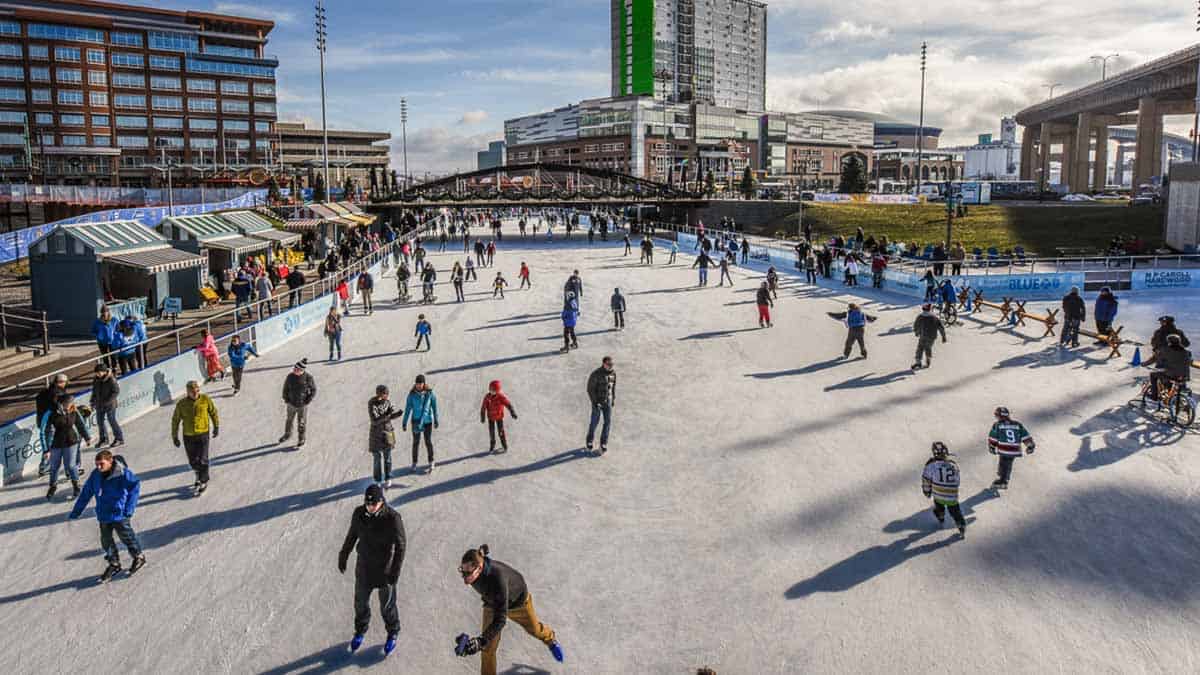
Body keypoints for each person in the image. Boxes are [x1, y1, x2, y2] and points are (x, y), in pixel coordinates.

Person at [453, 545, 564, 674]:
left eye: (468, 573)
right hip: (492, 603)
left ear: (480, 568)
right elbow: (482, 553)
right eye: (462, 571)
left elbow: (500, 619)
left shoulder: (498, 579)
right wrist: (483, 642)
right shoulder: (475, 571)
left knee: (535, 629)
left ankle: (550, 639)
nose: (464, 577)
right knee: (488, 648)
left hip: (518, 604)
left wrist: (481, 640)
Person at [339, 484, 406, 656]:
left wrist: (395, 572)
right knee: (360, 602)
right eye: (367, 503)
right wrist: (344, 554)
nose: (370, 506)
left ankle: (393, 632)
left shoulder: (393, 518)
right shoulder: (359, 514)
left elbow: (401, 546)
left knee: (387, 606)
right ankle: (360, 630)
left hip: (385, 570)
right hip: (364, 566)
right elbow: (352, 535)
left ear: (381, 501)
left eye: (373, 503)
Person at [69, 449, 145, 583]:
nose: (98, 467)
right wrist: (77, 510)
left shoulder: (122, 473)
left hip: (119, 513)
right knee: (106, 540)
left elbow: (135, 487)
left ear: (110, 461)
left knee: (126, 536)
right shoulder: (96, 475)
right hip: (103, 513)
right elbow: (86, 492)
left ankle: (138, 557)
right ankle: (114, 564)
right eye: (96, 464)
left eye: (101, 464)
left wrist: (129, 508)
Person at [170, 380, 219, 495]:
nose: (195, 393)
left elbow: (213, 412)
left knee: (203, 458)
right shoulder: (181, 404)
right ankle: (198, 474)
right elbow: (175, 420)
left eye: (196, 390)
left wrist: (216, 426)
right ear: (187, 392)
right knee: (192, 460)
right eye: (192, 391)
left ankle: (203, 480)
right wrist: (174, 436)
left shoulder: (205, 399)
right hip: (188, 435)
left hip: (203, 433)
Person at [40, 393, 92, 500]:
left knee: (71, 465)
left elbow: (80, 424)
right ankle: (53, 486)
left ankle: (76, 486)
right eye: (67, 403)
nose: (69, 405)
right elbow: (43, 431)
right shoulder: (50, 413)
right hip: (56, 443)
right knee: (54, 466)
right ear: (60, 403)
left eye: (71, 403)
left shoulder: (73, 410)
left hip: (71, 441)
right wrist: (46, 449)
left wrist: (87, 437)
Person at [922, 441, 966, 537]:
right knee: (955, 511)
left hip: (938, 494)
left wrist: (927, 491)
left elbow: (926, 480)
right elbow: (957, 480)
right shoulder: (953, 464)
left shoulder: (931, 465)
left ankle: (940, 515)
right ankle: (961, 525)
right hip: (952, 496)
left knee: (939, 505)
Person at [987, 406, 1035, 491]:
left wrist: (992, 446)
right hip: (1014, 449)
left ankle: (1003, 481)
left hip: (1004, 448)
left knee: (1003, 463)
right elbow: (1024, 435)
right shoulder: (1017, 424)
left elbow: (993, 437)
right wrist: (1030, 445)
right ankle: (1003, 477)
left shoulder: (997, 425)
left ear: (999, 416)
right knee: (1007, 463)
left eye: (996, 415)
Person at [368, 385, 404, 487]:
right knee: (377, 458)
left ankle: (388, 477)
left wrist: (396, 414)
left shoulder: (387, 402)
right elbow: (374, 420)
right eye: (385, 394)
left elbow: (389, 416)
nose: (387, 396)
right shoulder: (372, 403)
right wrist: (387, 415)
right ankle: (377, 479)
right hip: (376, 434)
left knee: (388, 457)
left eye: (387, 394)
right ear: (379, 394)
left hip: (388, 432)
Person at [402, 374, 439, 474]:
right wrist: (404, 422)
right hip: (415, 421)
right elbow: (408, 409)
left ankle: (431, 461)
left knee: (428, 441)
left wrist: (436, 419)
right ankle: (414, 463)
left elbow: (435, 407)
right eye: (417, 383)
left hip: (427, 422)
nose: (419, 385)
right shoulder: (411, 395)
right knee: (415, 443)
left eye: (421, 383)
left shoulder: (430, 394)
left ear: (424, 383)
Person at [280, 359, 316, 448]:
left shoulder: (308, 378)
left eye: (297, 369)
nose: (294, 370)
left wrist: (308, 400)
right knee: (289, 420)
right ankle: (287, 434)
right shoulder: (290, 376)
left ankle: (301, 438)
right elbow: (285, 388)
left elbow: (313, 390)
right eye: (294, 368)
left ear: (302, 370)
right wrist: (286, 399)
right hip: (291, 404)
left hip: (302, 405)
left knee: (301, 422)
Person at [1149, 334, 1192, 403]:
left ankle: (1154, 396)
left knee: (1153, 375)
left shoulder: (1166, 350)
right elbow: (1189, 361)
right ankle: (1170, 398)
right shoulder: (1186, 352)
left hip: (1171, 374)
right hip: (1185, 376)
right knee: (1171, 377)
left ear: (1169, 342)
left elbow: (1159, 360)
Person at [585, 356, 616, 454]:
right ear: (604, 364)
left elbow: (613, 387)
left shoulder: (613, 374)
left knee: (607, 423)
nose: (611, 366)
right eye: (609, 364)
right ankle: (589, 441)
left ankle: (603, 443)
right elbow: (590, 389)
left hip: (608, 402)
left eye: (612, 364)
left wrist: (613, 399)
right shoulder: (596, 374)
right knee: (594, 422)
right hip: (598, 403)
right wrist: (595, 402)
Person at [89, 363, 123, 448]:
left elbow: (116, 391)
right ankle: (104, 439)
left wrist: (108, 401)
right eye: (96, 373)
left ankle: (119, 438)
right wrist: (92, 402)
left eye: (99, 372)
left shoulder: (111, 379)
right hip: (99, 404)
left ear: (104, 372)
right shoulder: (96, 379)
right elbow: (94, 391)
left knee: (112, 420)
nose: (97, 374)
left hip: (110, 405)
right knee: (100, 422)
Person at [480, 380, 518, 454]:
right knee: (491, 432)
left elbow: (508, 404)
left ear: (497, 390)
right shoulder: (487, 397)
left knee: (501, 432)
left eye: (493, 390)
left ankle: (504, 445)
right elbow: (483, 407)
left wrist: (512, 412)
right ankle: (492, 445)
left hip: (499, 418)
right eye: (490, 389)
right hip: (490, 418)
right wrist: (482, 416)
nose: (491, 391)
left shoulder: (501, 397)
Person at [912, 303, 947, 370]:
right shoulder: (935, 317)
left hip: (923, 336)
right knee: (928, 347)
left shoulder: (920, 316)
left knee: (920, 348)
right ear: (930, 309)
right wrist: (943, 337)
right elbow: (941, 328)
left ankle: (918, 362)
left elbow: (916, 325)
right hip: (932, 337)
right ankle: (928, 359)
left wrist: (917, 332)